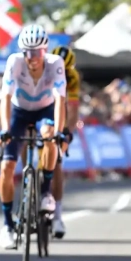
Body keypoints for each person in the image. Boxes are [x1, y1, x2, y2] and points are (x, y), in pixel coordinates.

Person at [0, 24, 66, 249]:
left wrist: (59, 132)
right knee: (7, 167)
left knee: (49, 136)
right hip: (19, 113)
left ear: (45, 51)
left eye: (37, 52)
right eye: (28, 52)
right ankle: (7, 225)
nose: (32, 57)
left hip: (45, 110)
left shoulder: (56, 64)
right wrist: (6, 129)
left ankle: (46, 192)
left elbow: (61, 101)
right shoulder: (15, 62)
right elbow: (5, 98)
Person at [50, 45, 80, 239]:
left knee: (57, 163)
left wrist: (67, 131)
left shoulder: (73, 78)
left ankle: (57, 215)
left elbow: (73, 109)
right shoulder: (43, 69)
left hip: (60, 116)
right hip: (39, 111)